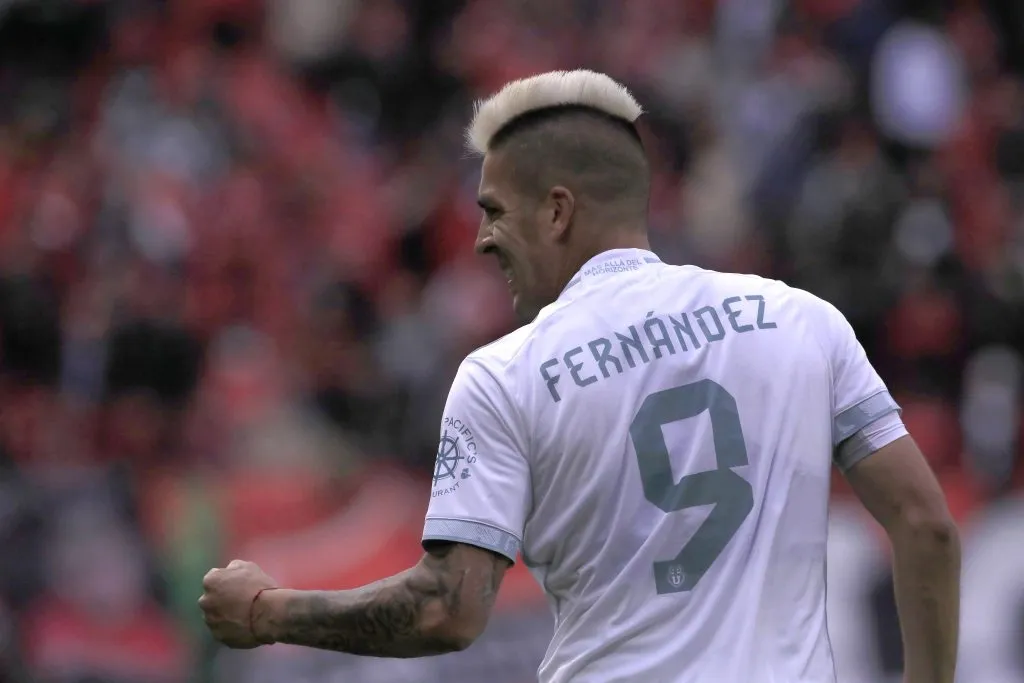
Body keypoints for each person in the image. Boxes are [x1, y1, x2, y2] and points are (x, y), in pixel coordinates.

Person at [199, 70, 961, 683]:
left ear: (557, 211)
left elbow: (447, 611)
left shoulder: (504, 374)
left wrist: (272, 611)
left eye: (495, 210)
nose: (481, 240)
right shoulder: (802, 319)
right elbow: (924, 524)